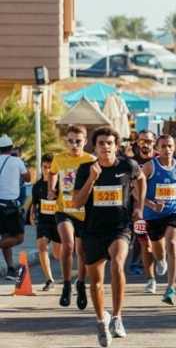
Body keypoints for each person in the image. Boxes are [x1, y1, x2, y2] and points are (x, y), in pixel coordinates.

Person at [73, 126, 146, 347]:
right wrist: (91, 180)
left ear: (116, 145)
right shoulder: (86, 169)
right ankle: (100, 322)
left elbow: (141, 179)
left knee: (117, 264)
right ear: (94, 147)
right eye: (101, 143)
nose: (105, 147)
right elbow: (76, 202)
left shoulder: (128, 166)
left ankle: (116, 317)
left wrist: (139, 207)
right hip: (93, 230)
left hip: (120, 228)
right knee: (95, 283)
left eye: (109, 143)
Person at [142, 135, 176, 305]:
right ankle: (160, 259)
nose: (167, 149)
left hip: (174, 212)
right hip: (153, 215)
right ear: (157, 148)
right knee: (158, 250)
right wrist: (150, 204)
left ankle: (171, 288)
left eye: (170, 146)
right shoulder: (149, 167)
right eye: (163, 146)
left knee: (172, 244)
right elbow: (135, 190)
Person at [48, 125, 95, 309]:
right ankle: (67, 285)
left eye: (78, 141)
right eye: (71, 141)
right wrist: (52, 189)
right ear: (66, 141)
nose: (74, 144)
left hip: (83, 212)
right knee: (68, 245)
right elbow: (52, 173)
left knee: (81, 251)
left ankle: (81, 284)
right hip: (64, 209)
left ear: (85, 141)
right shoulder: (59, 159)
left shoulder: (91, 160)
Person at [130, 130, 158, 293]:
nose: (145, 144)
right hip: (137, 208)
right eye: (142, 141)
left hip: (160, 209)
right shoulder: (132, 162)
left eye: (148, 141)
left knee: (156, 243)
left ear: (154, 143)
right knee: (143, 240)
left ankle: (158, 261)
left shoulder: (160, 160)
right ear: (137, 143)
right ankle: (148, 275)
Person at [0, 134, 30, 280]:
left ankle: (11, 269)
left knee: (6, 236)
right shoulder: (16, 161)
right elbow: (28, 178)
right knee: (19, 237)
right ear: (11, 148)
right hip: (10, 206)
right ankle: (11, 268)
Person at [30, 153, 61, 290]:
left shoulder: (60, 184)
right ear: (41, 167)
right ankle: (49, 279)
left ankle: (66, 276)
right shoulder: (37, 186)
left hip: (58, 221)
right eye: (45, 167)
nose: (47, 170)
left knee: (57, 254)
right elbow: (35, 203)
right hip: (43, 221)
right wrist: (31, 214)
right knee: (41, 245)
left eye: (50, 167)